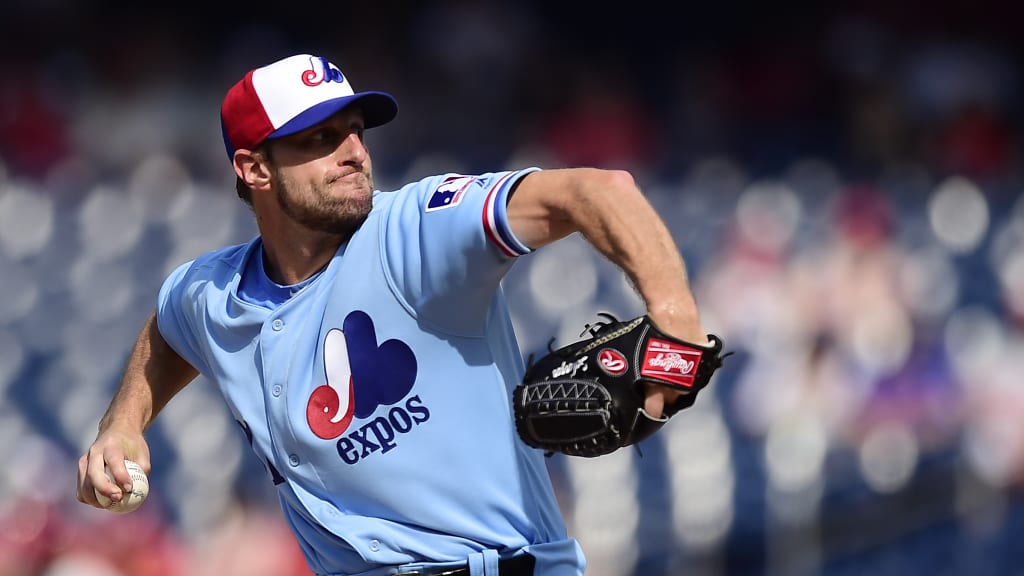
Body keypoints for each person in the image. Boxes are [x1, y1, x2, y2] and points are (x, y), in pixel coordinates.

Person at [75, 53, 712, 576]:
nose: (354, 150)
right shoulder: (210, 293)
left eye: (356, 129)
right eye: (321, 139)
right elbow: (169, 328)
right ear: (253, 168)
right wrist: (122, 424)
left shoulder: (416, 230)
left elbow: (597, 191)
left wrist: (676, 320)